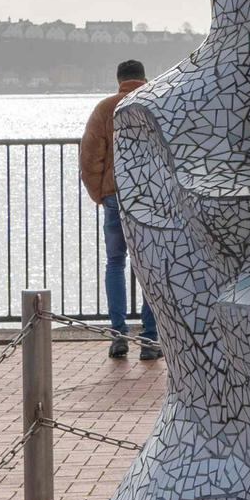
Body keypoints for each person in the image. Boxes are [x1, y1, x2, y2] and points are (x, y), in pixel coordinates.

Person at [81, 59, 161, 361]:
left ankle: (117, 336)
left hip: (115, 195)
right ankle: (150, 338)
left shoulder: (105, 109)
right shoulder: (155, 102)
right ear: (144, 77)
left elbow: (90, 156)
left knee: (115, 263)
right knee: (149, 266)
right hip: (150, 198)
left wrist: (100, 193)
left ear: (119, 80)